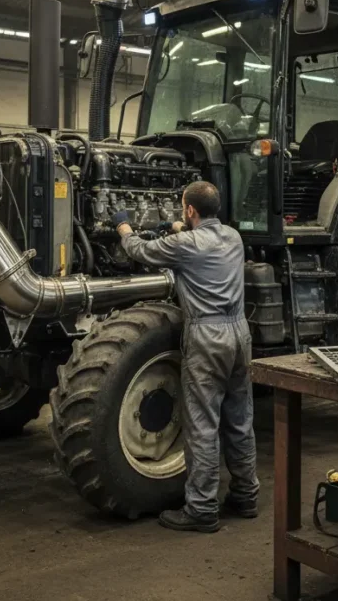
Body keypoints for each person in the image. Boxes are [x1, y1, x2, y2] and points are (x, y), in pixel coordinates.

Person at [113, 181, 259, 533]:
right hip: (240, 333)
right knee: (239, 419)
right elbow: (196, 240)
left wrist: (122, 226)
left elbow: (139, 251)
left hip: (207, 336)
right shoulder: (233, 237)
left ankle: (202, 508)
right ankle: (245, 495)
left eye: (183, 209)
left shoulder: (184, 245)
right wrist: (177, 228)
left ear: (190, 210)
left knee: (202, 425)